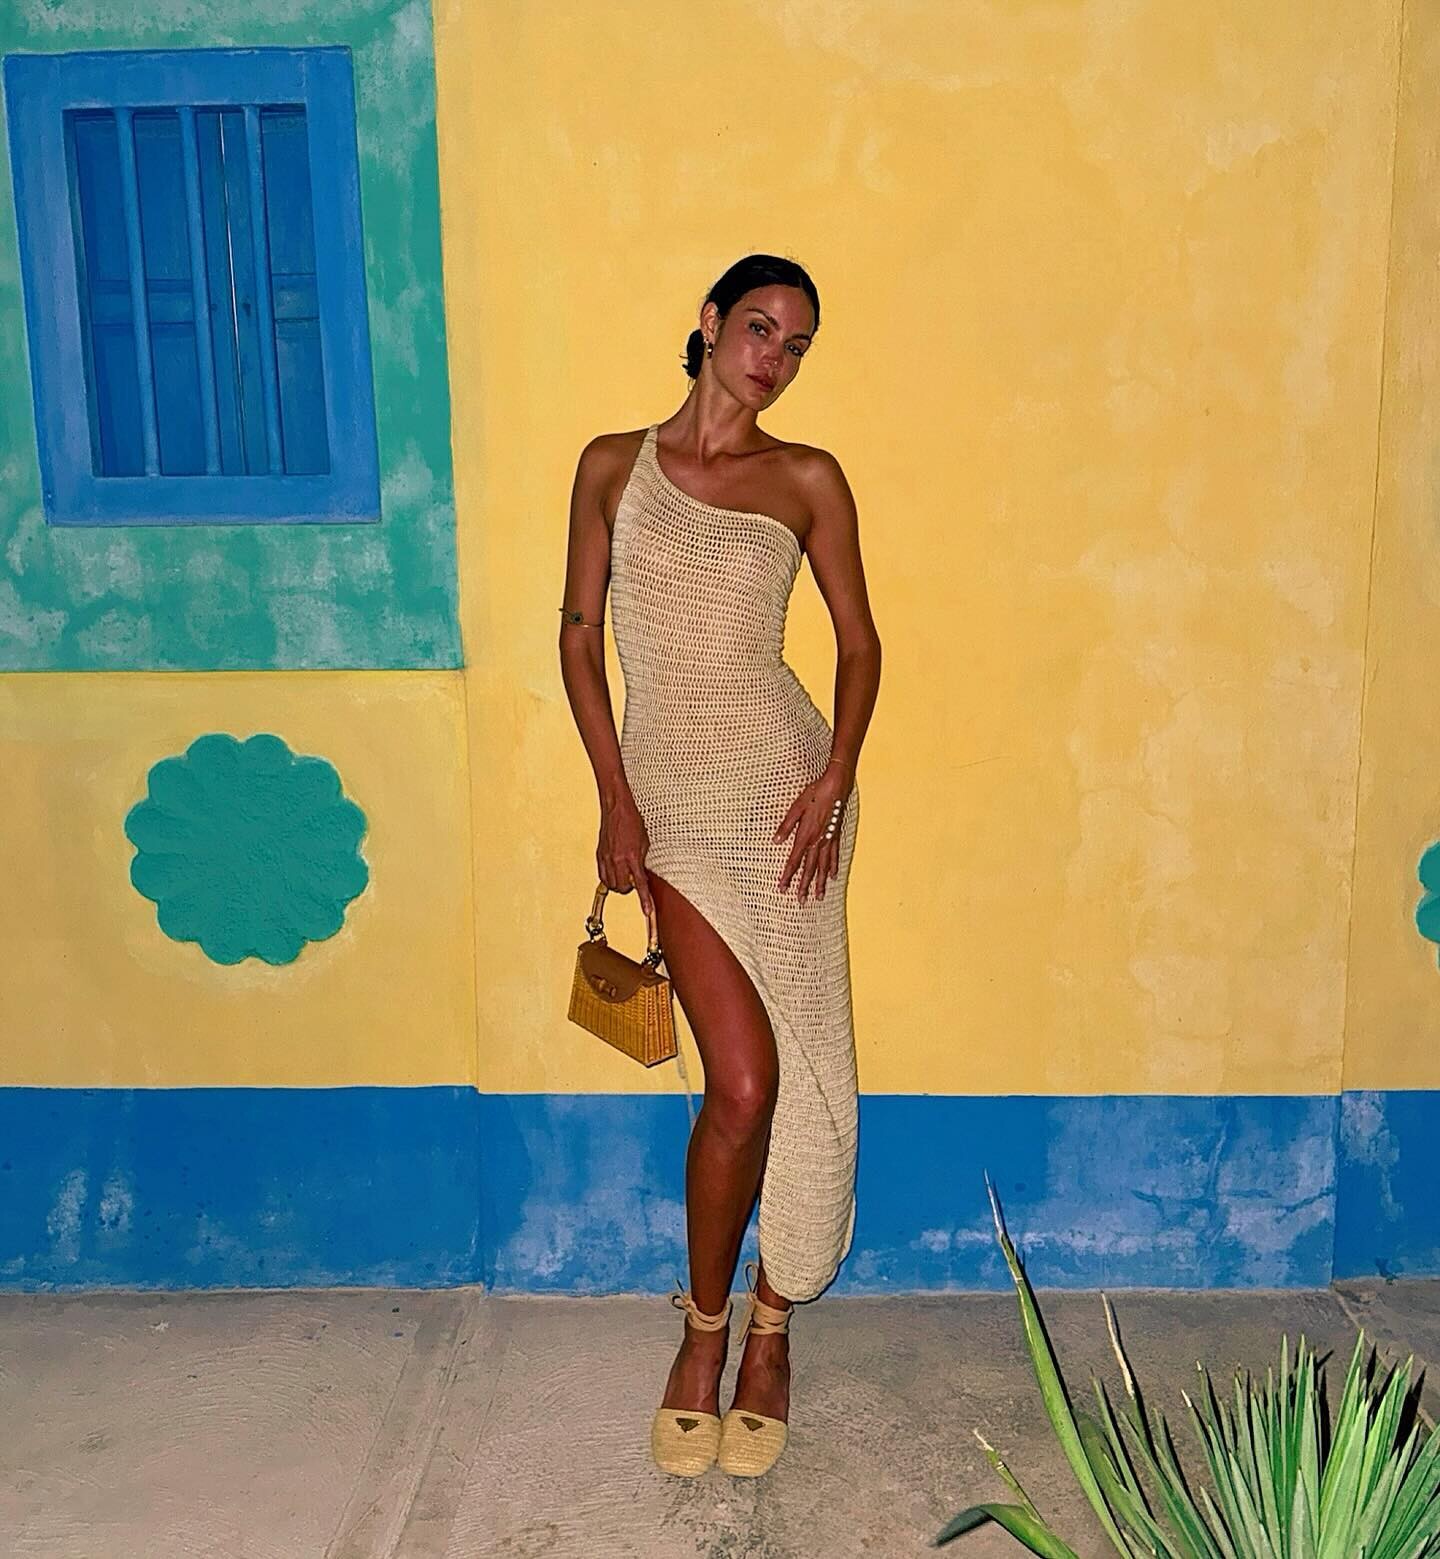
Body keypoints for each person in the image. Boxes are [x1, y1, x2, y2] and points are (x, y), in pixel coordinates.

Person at [557, 253, 882, 1478]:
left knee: (810, 1057)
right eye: (759, 328)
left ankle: (773, 1327)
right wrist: (615, 799)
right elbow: (579, 639)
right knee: (743, 1082)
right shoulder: (611, 464)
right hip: (673, 804)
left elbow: (860, 644)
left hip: (787, 798)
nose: (774, 358)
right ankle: (704, 1330)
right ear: (707, 323)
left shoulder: (807, 478)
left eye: (795, 344)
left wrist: (836, 773)